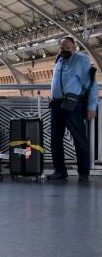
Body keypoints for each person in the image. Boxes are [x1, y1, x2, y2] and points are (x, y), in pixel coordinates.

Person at [47, 36, 98, 183]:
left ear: (74, 48)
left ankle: (83, 172)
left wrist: (92, 106)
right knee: (55, 140)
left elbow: (92, 84)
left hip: (73, 105)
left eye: (67, 48)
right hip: (56, 105)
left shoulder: (82, 60)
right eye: (62, 48)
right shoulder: (59, 60)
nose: (64, 51)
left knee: (79, 139)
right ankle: (60, 171)